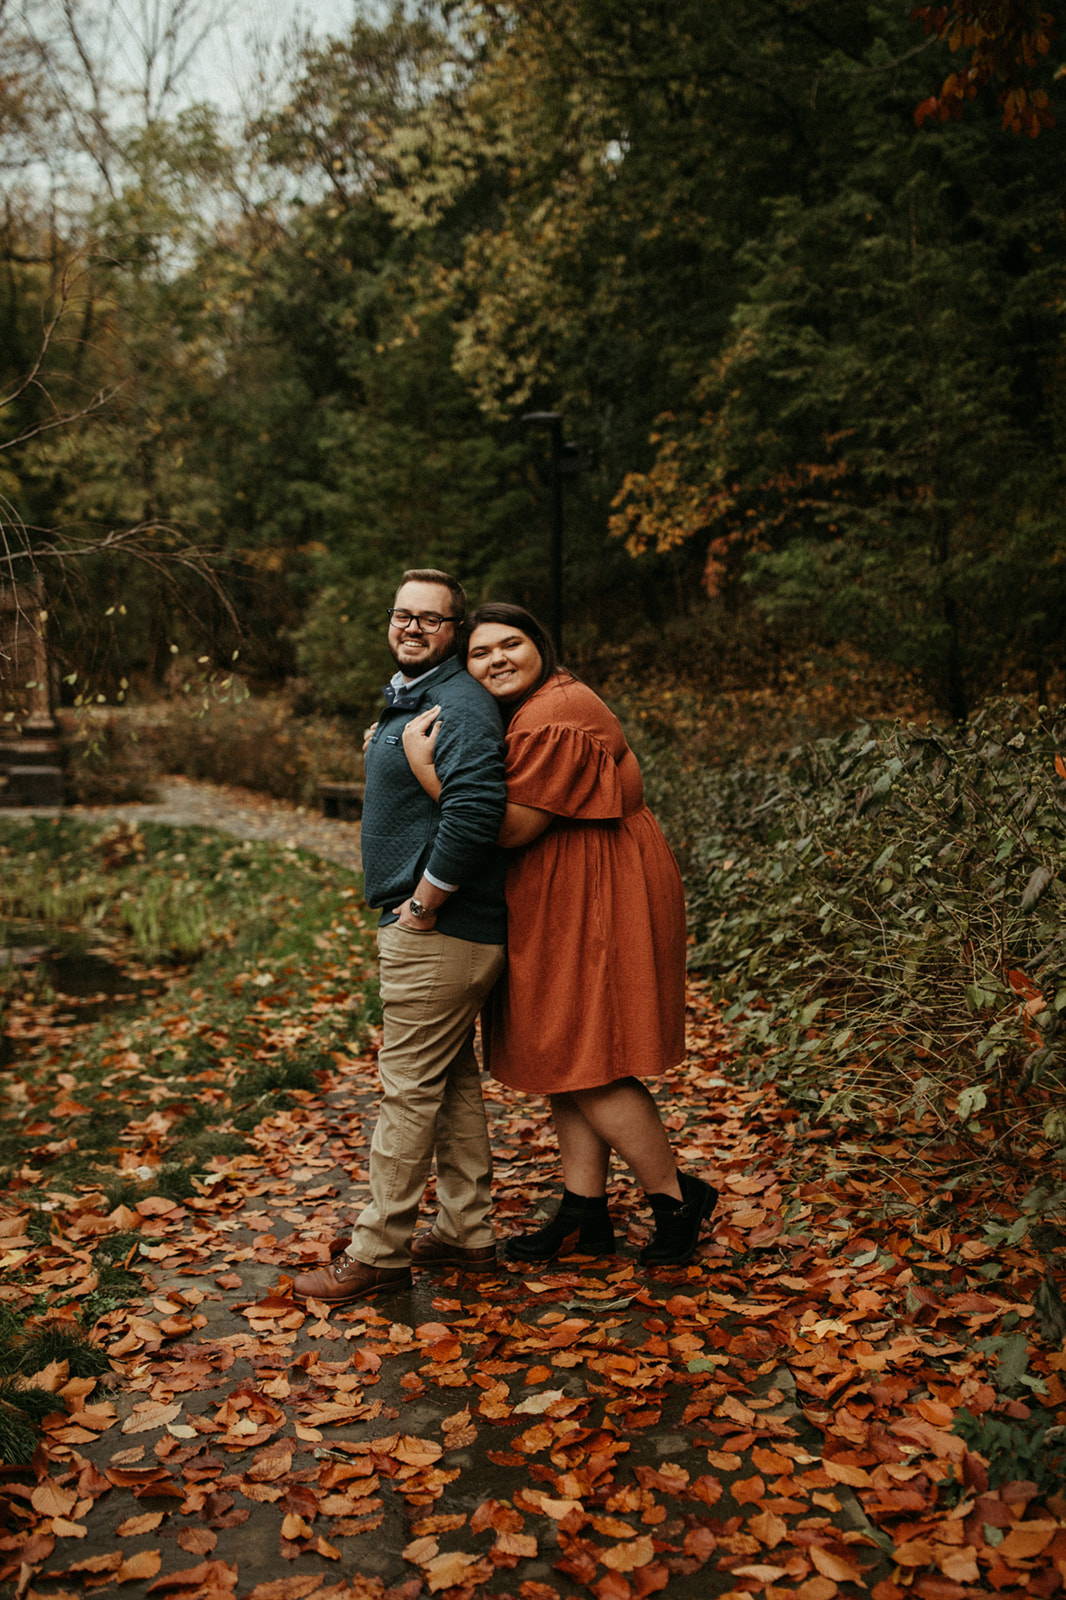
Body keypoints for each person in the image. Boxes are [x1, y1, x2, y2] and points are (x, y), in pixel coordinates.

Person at [401, 602, 716, 1267]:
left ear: (539, 644)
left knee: (587, 1052)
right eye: (481, 653)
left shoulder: (555, 715)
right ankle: (583, 1211)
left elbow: (513, 829)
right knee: (568, 1054)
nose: (496, 660)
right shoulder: (536, 707)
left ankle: (675, 1198)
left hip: (599, 888)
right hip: (569, 883)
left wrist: (424, 768)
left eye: (509, 644)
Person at [292, 571, 507, 1305]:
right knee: (449, 1086)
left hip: (441, 929)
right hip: (449, 931)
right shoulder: (420, 696)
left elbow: (476, 812)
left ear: (455, 629)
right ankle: (465, 1231)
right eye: (401, 615)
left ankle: (378, 1252)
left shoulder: (460, 705)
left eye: (431, 620)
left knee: (406, 1093)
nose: (412, 628)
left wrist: (421, 904)